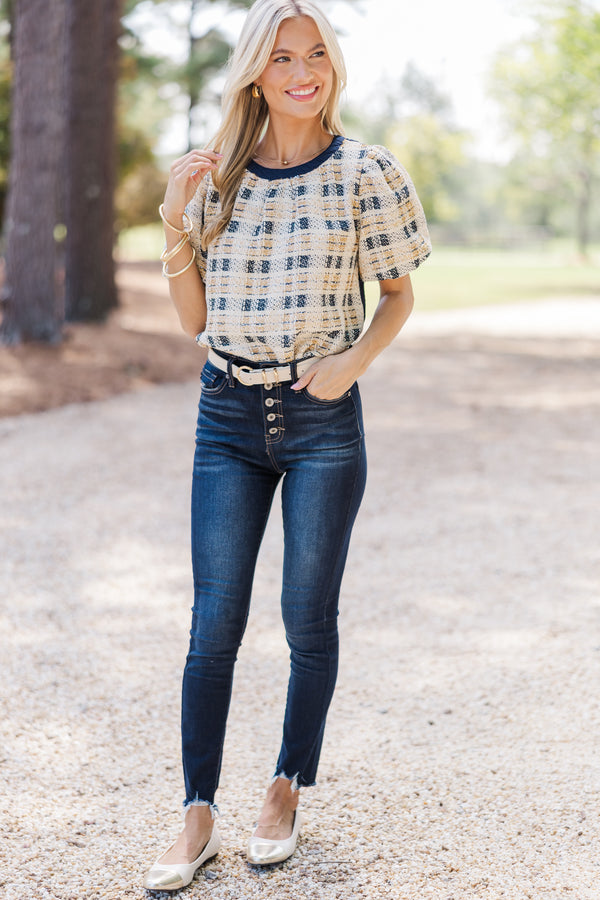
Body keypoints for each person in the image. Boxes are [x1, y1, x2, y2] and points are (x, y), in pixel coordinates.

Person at [143, 0, 431, 891]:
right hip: (226, 416)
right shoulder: (212, 177)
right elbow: (194, 320)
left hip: (320, 421)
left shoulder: (366, 170)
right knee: (212, 626)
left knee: (307, 619)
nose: (303, 71)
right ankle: (197, 812)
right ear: (254, 73)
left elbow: (398, 295)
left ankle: (284, 789)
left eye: (316, 54)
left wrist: (353, 361)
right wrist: (171, 222)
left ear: (332, 66)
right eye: (282, 58)